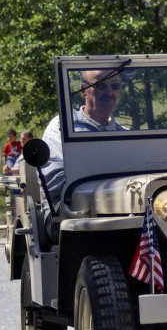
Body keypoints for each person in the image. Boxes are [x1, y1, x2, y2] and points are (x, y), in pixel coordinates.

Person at [41, 69, 126, 239]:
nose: (109, 92)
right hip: (67, 212)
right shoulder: (62, 126)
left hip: (121, 210)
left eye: (114, 85)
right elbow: (55, 179)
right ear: (83, 91)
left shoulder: (124, 133)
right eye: (100, 85)